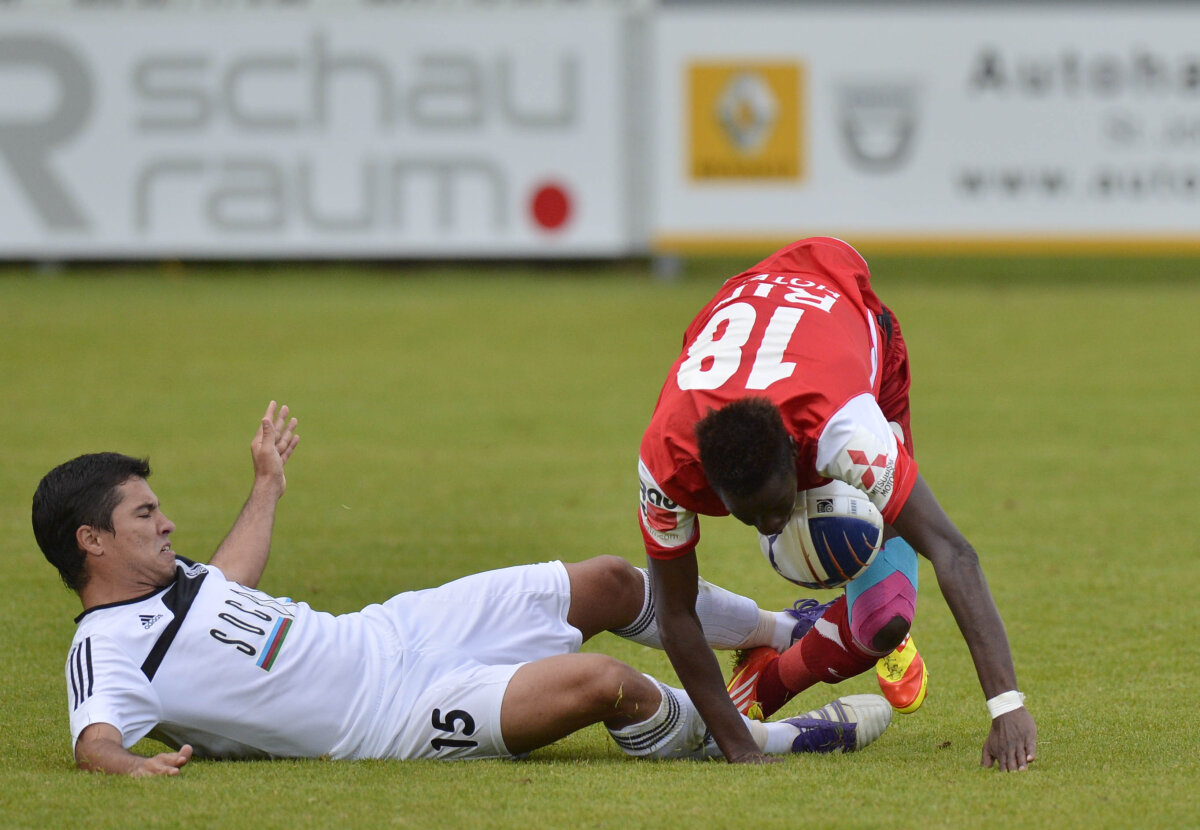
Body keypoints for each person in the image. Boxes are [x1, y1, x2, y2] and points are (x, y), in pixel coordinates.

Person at [33, 401, 893, 777]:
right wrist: (133, 767)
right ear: (91, 541)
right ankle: (776, 738)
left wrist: (266, 487)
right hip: (392, 719)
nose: (167, 524)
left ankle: (784, 633)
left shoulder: (171, 583)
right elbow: (93, 739)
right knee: (605, 685)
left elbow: (226, 586)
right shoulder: (105, 648)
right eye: (145, 514)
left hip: (397, 629)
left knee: (607, 580)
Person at [637, 236, 1037, 770]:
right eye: (751, 517)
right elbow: (675, 613)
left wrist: (1007, 706)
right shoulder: (666, 461)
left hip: (846, 316)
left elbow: (952, 550)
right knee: (864, 601)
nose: (772, 527)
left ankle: (778, 672)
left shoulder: (847, 429)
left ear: (796, 451)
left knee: (886, 619)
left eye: (775, 507)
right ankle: (776, 660)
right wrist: (741, 750)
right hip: (754, 314)